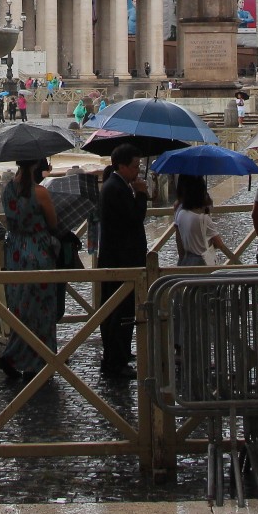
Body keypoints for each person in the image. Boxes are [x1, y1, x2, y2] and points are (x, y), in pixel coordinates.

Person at [0, 159, 59, 381]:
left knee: (20, 310)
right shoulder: (39, 192)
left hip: (15, 252)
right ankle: (37, 362)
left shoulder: (7, 190)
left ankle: (15, 356)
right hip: (37, 251)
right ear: (35, 166)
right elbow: (53, 223)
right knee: (41, 310)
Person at [95, 147, 149, 378]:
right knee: (118, 310)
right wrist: (142, 194)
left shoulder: (116, 186)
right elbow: (134, 219)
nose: (138, 171)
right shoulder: (115, 188)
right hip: (120, 258)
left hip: (120, 257)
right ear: (122, 166)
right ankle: (115, 360)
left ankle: (120, 355)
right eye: (135, 166)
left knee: (121, 310)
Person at [172, 175, 232, 266]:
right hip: (202, 262)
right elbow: (219, 244)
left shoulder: (180, 214)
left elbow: (179, 240)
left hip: (187, 259)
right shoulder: (203, 219)